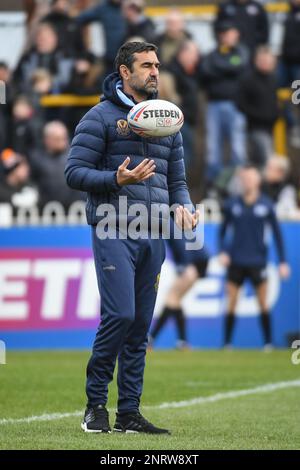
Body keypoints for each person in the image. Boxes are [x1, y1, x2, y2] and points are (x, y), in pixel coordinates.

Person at [65, 41, 199, 434]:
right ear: (125, 72)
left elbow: (178, 180)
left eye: (157, 65)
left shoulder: (168, 121)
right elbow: (73, 173)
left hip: (154, 230)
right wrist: (115, 178)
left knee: (139, 326)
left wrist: (183, 207)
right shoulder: (100, 117)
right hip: (113, 227)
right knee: (120, 315)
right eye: (146, 65)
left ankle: (129, 413)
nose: (155, 71)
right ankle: (94, 407)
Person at [219, 164, 290, 350]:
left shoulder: (266, 205)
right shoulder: (232, 204)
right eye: (244, 179)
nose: (247, 182)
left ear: (258, 181)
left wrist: (283, 261)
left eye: (250, 178)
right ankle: (227, 343)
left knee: (262, 304)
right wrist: (223, 251)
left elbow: (277, 234)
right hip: (236, 260)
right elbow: (222, 231)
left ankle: (268, 343)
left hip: (258, 261)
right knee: (231, 303)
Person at [200, 20, 249, 186]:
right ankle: (214, 188)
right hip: (214, 105)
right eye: (226, 33)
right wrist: (227, 68)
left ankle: (239, 186)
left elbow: (240, 66)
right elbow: (205, 70)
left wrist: (220, 68)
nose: (230, 37)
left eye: (232, 33)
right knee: (213, 149)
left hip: (236, 105)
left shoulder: (241, 51)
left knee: (238, 149)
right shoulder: (212, 54)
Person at [149, 231, 209, 350]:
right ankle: (182, 342)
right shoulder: (170, 220)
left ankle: (152, 339)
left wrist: (186, 265)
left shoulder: (168, 223)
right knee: (175, 301)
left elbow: (181, 243)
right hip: (197, 260)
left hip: (194, 262)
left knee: (171, 299)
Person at [237, 46, 279, 166]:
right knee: (268, 161)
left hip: (271, 129)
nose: (266, 64)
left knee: (260, 163)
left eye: (269, 62)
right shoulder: (248, 79)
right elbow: (240, 104)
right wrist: (258, 116)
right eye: (263, 61)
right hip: (254, 129)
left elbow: (275, 103)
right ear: (257, 61)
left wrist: (276, 115)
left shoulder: (274, 79)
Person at [31, 121, 84, 210]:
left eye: (64, 138)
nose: (63, 142)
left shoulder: (76, 157)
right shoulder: (36, 158)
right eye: (58, 139)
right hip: (46, 211)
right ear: (47, 140)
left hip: (73, 210)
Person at [13, 22, 74, 93]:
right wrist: (35, 82)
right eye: (39, 37)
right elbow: (18, 80)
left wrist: (50, 83)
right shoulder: (27, 57)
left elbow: (67, 80)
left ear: (55, 38)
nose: (42, 40)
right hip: (31, 98)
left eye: (46, 37)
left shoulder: (65, 55)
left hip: (61, 99)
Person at [76, 0, 126, 74]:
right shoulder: (103, 8)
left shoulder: (127, 7)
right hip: (108, 59)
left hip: (125, 58)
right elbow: (80, 19)